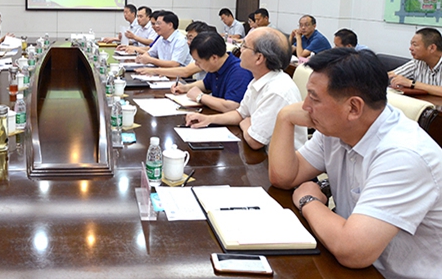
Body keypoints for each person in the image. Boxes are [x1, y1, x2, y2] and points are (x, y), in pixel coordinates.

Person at [269, 48, 442, 277]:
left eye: (314, 98)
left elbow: (352, 251)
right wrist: (284, 118)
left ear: (353, 108)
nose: (305, 106)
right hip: (359, 266)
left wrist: (308, 200)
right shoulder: (338, 128)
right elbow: (285, 177)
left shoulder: (404, 155)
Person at [185, 27, 307, 150]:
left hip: (274, 158)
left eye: (244, 46)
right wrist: (208, 119)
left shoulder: (277, 90)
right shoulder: (258, 79)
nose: (240, 50)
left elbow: (255, 141)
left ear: (259, 58)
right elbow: (240, 114)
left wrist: (245, 123)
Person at [170, 32, 252, 112]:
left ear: (214, 58)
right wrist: (185, 88)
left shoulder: (240, 71)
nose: (196, 64)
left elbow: (232, 106)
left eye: (198, 61)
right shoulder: (216, 66)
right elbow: (206, 84)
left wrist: (200, 96)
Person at [139, 21, 208, 79]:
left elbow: (186, 71)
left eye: (191, 38)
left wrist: (156, 71)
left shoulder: (206, 54)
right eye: (187, 38)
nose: (188, 42)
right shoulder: (196, 52)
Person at [388, 27, 442, 96]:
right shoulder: (417, 62)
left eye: (415, 45)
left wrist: (412, 84)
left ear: (432, 48)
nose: (410, 48)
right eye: (411, 44)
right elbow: (392, 75)